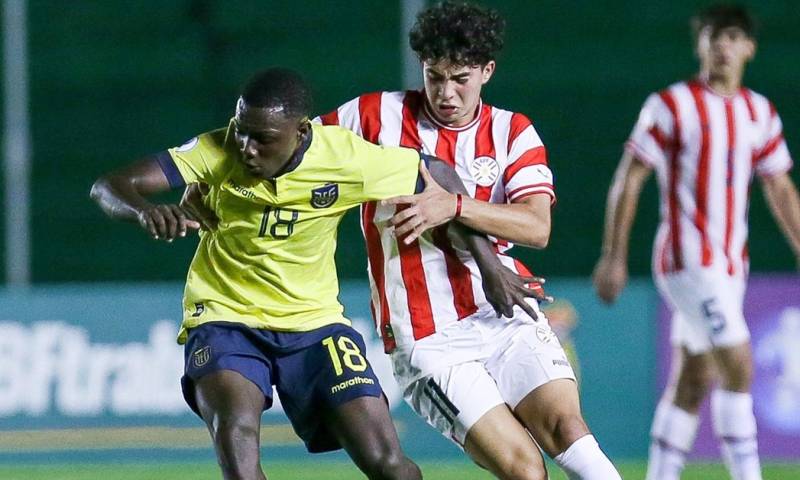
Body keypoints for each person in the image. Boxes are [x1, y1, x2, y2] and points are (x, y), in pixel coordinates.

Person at [90, 67, 536, 480]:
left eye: (261, 139)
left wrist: (489, 264)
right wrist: (144, 211)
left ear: (302, 132)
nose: (245, 148)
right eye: (240, 132)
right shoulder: (217, 149)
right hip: (224, 318)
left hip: (315, 325)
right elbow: (110, 186)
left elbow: (435, 172)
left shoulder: (345, 158)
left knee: (388, 464)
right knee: (239, 440)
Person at [302, 2, 621, 479]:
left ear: (487, 71)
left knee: (567, 429)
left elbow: (537, 227)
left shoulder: (513, 131)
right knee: (525, 469)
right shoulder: (373, 116)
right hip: (427, 337)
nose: (446, 93)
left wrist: (453, 204)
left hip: (504, 309)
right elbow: (293, 144)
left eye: (461, 79)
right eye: (435, 77)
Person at [593, 5, 800, 480]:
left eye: (732, 37)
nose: (722, 46)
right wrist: (613, 255)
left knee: (695, 377)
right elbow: (630, 178)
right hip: (687, 261)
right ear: (699, 44)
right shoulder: (670, 105)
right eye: (713, 36)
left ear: (749, 47)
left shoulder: (759, 112)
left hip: (731, 266)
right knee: (740, 364)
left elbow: (781, 186)